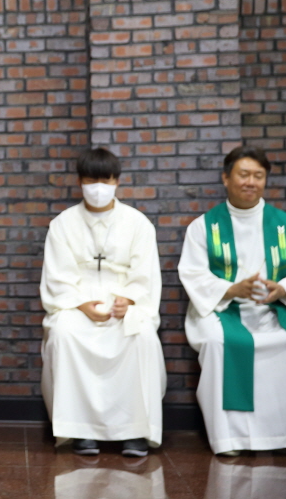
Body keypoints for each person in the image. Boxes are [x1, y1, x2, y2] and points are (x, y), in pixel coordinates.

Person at [177, 145, 286, 457]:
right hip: (225, 309)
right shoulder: (204, 226)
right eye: (244, 174)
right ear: (226, 178)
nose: (251, 182)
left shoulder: (285, 224)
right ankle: (230, 438)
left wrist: (283, 288)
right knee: (217, 341)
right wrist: (232, 290)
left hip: (275, 308)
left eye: (258, 176)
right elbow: (192, 273)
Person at [40, 147, 166, 457]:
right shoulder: (63, 224)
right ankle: (80, 430)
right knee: (64, 333)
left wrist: (128, 301)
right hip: (78, 304)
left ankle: (135, 431)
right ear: (80, 182)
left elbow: (145, 275)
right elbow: (58, 276)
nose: (98, 187)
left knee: (142, 336)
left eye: (105, 180)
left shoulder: (138, 224)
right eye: (91, 180)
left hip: (124, 306)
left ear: (116, 182)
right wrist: (83, 305)